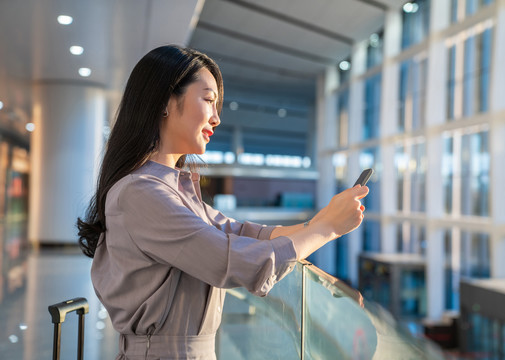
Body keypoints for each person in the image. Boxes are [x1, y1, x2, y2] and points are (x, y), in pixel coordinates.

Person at [77, 45, 369, 360]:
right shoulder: (141, 193)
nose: (217, 118)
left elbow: (241, 232)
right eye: (208, 100)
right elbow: (231, 261)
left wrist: (319, 221)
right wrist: (327, 228)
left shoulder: (172, 188)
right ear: (163, 101)